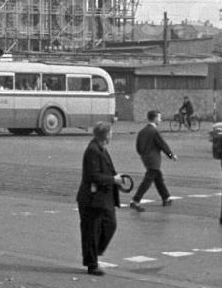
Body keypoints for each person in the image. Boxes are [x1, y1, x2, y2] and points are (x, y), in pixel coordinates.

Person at [76, 121, 125, 276]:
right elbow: (93, 176)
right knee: (92, 231)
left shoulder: (100, 149)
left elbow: (105, 172)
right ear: (105, 135)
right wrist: (114, 180)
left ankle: (94, 253)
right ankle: (92, 263)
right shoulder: (93, 150)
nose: (112, 136)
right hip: (92, 199)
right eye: (110, 133)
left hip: (103, 198)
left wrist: (117, 181)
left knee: (110, 225)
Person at [129, 110, 177, 211]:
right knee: (148, 180)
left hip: (145, 158)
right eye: (159, 118)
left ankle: (166, 197)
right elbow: (162, 145)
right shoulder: (154, 132)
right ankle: (135, 200)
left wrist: (143, 155)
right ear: (155, 119)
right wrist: (171, 155)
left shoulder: (142, 131)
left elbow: (138, 147)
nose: (161, 120)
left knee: (158, 177)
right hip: (153, 159)